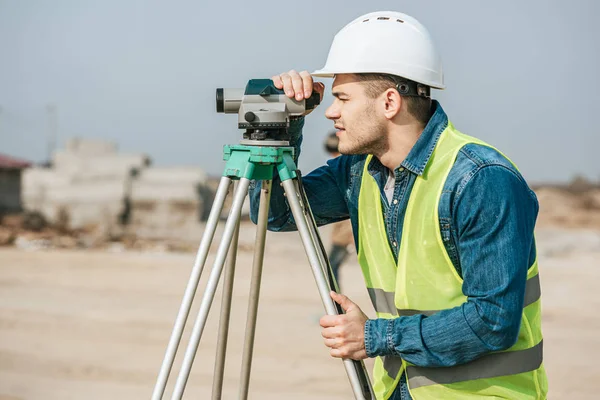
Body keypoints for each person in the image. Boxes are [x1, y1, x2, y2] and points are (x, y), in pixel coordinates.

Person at [249, 11, 547, 400]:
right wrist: (280, 128)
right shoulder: (358, 172)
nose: (331, 112)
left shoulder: (480, 179)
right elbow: (275, 212)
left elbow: (493, 321)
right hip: (399, 389)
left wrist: (374, 336)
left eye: (342, 98)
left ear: (389, 102)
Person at [324, 131, 355, 290]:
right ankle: (336, 300)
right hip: (340, 235)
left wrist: (352, 238)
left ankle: (336, 301)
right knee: (332, 266)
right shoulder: (343, 166)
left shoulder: (345, 168)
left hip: (345, 236)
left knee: (332, 267)